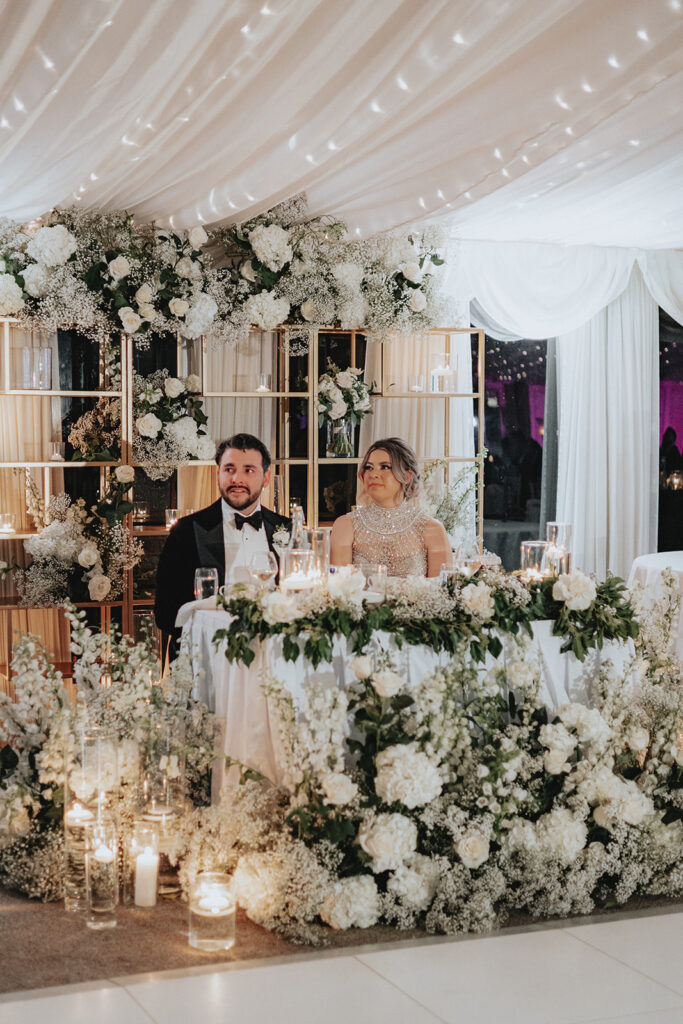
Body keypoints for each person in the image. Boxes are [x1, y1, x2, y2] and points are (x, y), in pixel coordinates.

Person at [154, 432, 291, 655]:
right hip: (206, 655)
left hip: (274, 654)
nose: (237, 479)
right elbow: (165, 612)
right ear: (218, 474)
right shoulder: (187, 530)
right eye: (229, 469)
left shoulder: (287, 529)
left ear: (265, 478)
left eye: (249, 470)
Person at [330, 437, 451, 577]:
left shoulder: (432, 529)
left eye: (385, 467)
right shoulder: (345, 526)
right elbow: (339, 591)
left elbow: (442, 594)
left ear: (406, 476)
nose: (373, 474)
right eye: (369, 467)